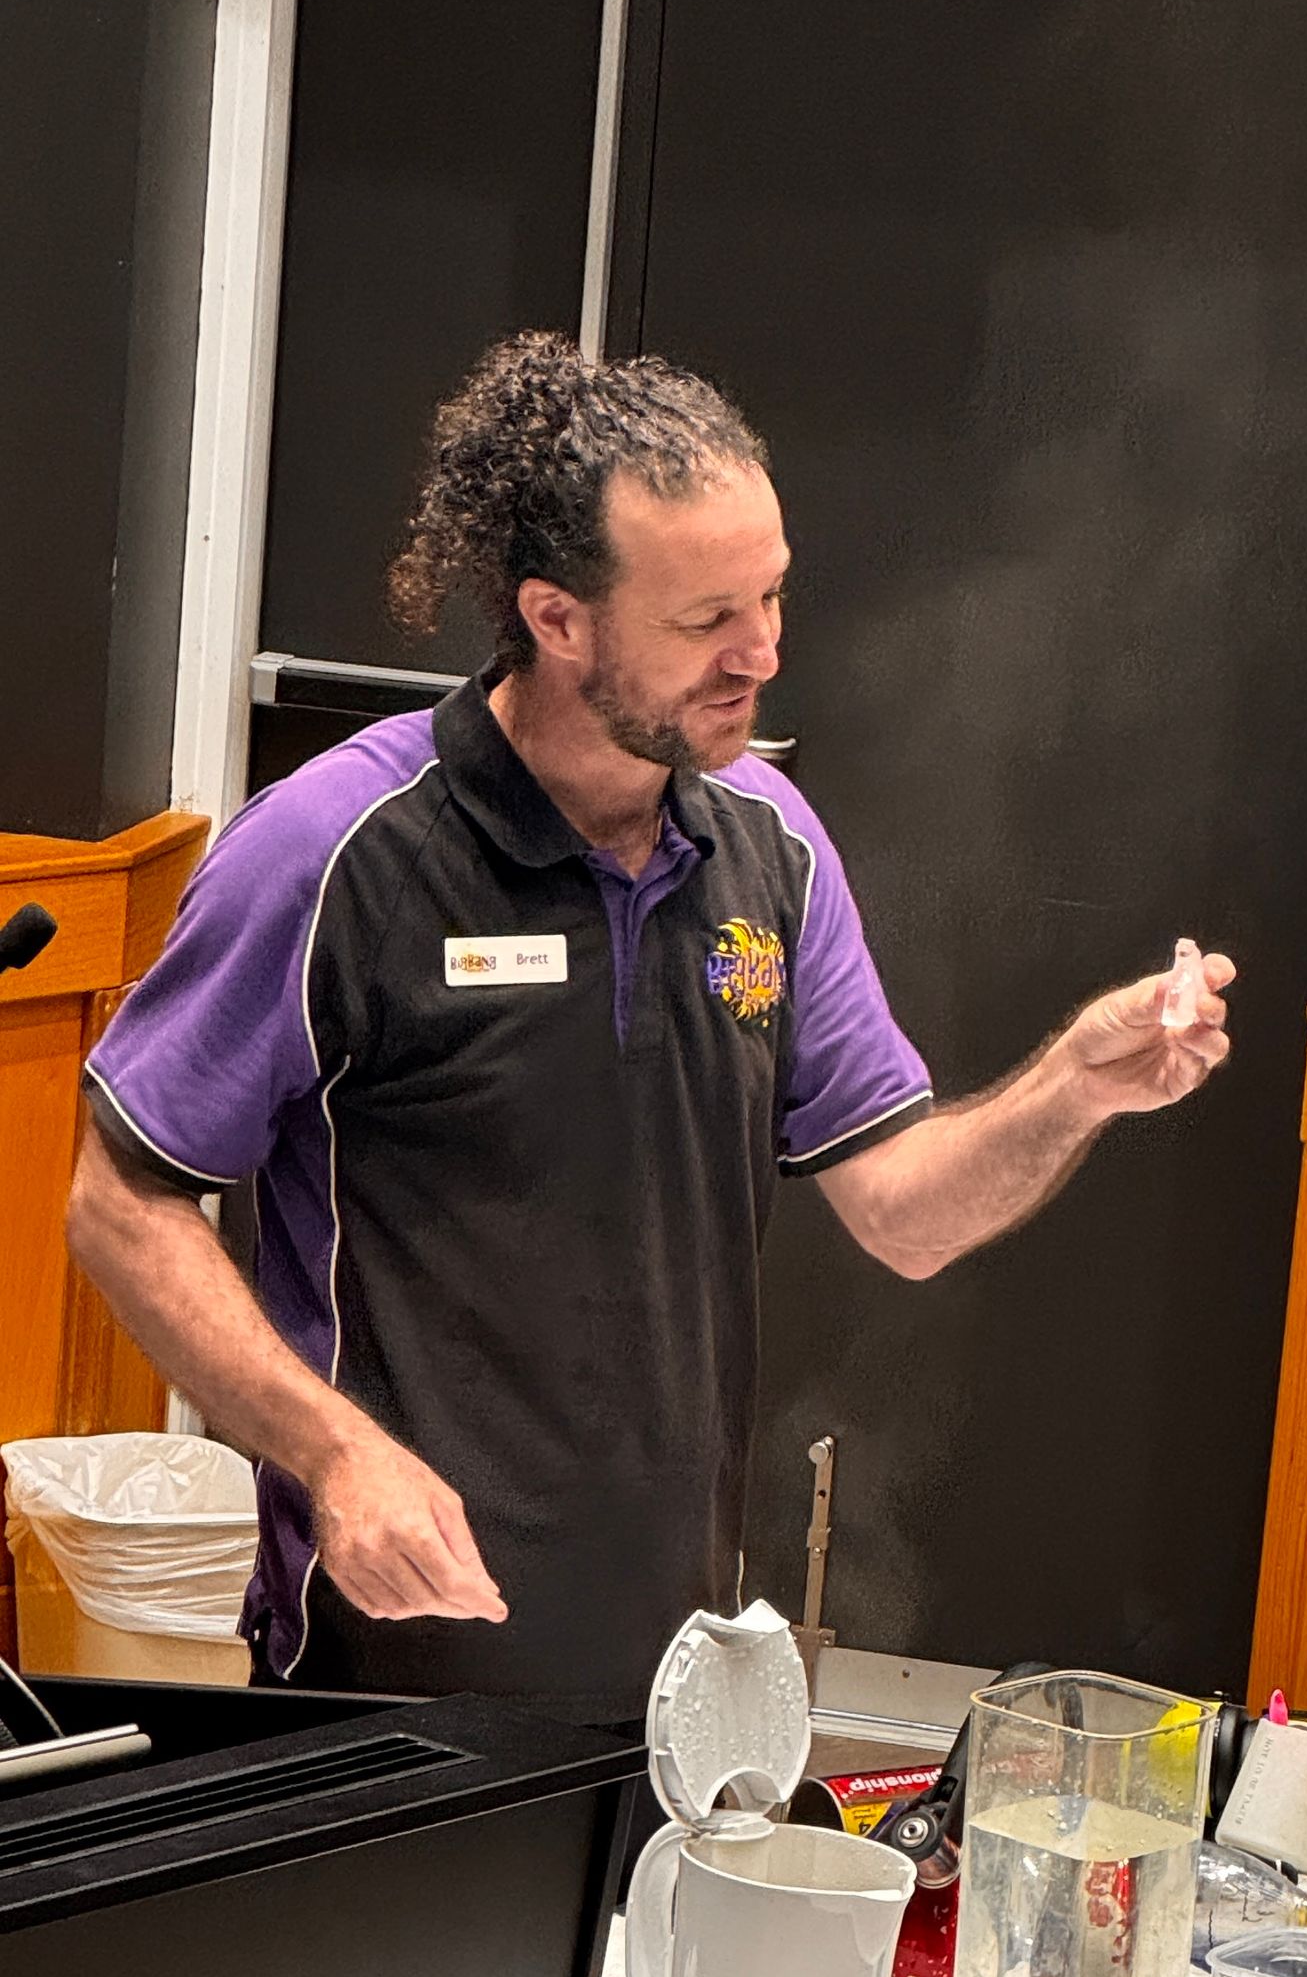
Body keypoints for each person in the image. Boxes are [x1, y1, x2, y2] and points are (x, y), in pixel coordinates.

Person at [68, 333, 1234, 1715]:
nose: (763, 652)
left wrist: (1075, 1086)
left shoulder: (770, 846)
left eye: (772, 596)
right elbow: (120, 1201)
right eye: (705, 620)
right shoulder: (334, 851)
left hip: (665, 1678)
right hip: (378, 1671)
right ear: (557, 619)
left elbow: (905, 1212)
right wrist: (334, 1453)